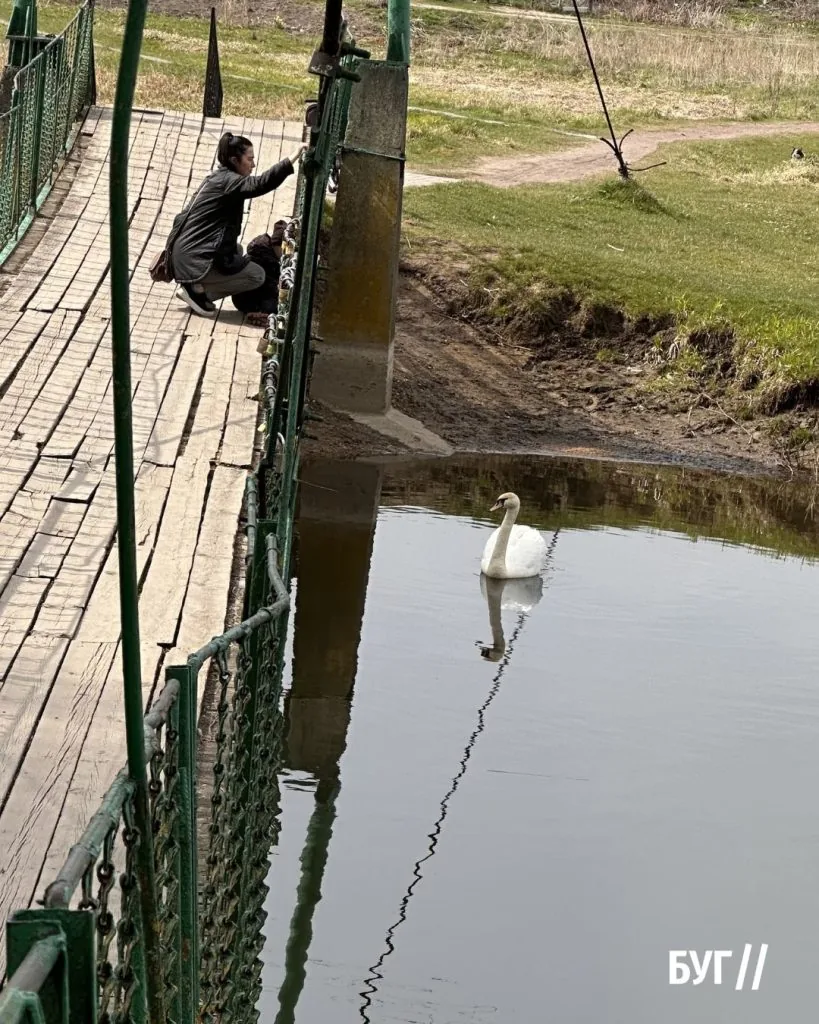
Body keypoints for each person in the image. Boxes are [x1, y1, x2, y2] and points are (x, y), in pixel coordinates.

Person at [167, 133, 306, 318]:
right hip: (192, 259)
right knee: (256, 275)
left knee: (237, 250)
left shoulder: (221, 178)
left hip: (186, 254)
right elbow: (261, 184)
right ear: (234, 160)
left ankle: (196, 287)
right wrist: (293, 157)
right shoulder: (229, 182)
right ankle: (198, 291)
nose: (253, 165)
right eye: (249, 159)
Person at [230, 219, 288, 320]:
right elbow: (268, 285)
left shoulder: (268, 252)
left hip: (247, 295)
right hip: (246, 298)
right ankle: (257, 313)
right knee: (274, 306)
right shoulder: (265, 257)